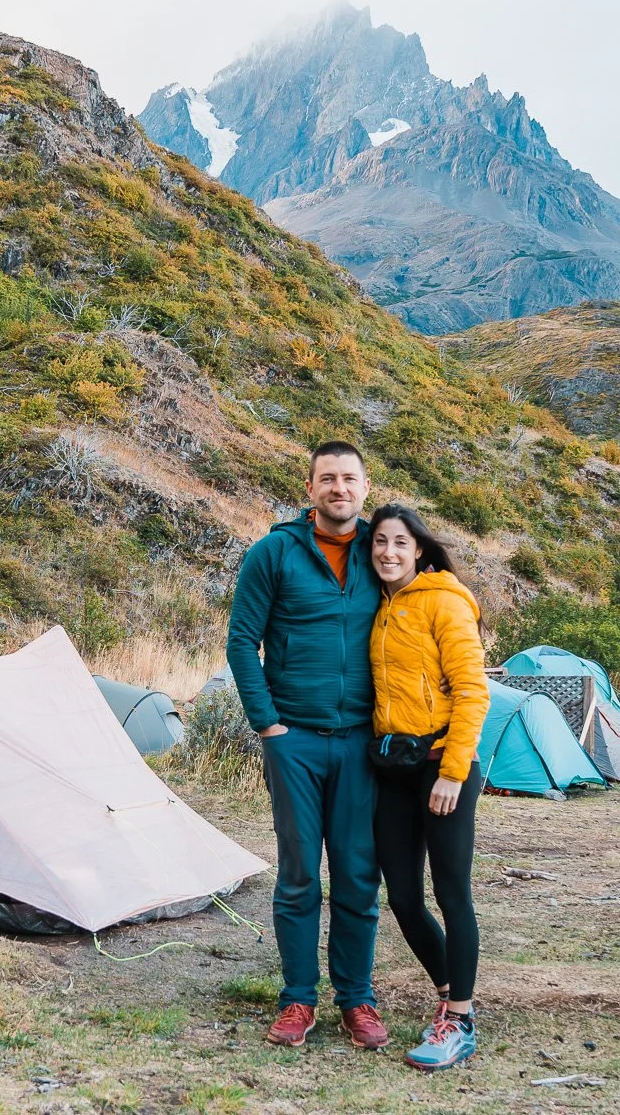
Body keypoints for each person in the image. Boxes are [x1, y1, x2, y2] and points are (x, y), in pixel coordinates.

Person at [225, 442, 390, 1050]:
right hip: (293, 741)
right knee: (298, 874)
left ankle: (357, 1000)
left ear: (364, 486)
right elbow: (242, 642)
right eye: (328, 478)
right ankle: (298, 998)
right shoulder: (273, 553)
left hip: (363, 745)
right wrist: (268, 725)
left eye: (349, 478)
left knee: (356, 875)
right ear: (310, 486)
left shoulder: (385, 552)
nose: (338, 488)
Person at [364, 503, 490, 1071]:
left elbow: (473, 692)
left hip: (442, 762)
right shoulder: (379, 605)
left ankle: (458, 1021)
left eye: (399, 542)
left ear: (418, 548)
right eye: (379, 543)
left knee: (451, 893)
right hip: (394, 766)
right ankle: (449, 995)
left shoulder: (445, 601)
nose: (388, 552)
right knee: (404, 899)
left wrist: (452, 773)